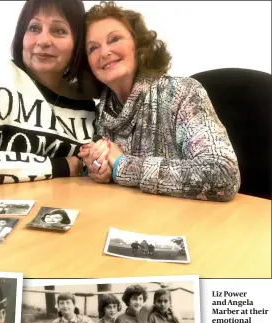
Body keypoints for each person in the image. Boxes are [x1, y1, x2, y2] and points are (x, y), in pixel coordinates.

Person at [79, 1, 240, 202]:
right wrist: (98, 171)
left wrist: (122, 165)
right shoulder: (100, 114)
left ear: (139, 45)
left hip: (188, 224)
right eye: (93, 48)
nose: (104, 52)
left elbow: (223, 175)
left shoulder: (182, 93)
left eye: (114, 39)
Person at [0, 0, 96, 187]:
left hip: (74, 211)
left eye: (58, 30)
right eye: (34, 28)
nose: (43, 41)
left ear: (78, 43)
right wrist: (63, 166)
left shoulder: (87, 103)